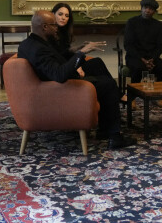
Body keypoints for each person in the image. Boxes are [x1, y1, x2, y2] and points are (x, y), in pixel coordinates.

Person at [17, 11, 136, 149]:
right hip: (58, 89)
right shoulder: (38, 49)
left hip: (51, 84)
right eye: (54, 25)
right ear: (44, 27)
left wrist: (74, 51)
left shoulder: (33, 42)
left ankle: (105, 128)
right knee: (108, 84)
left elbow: (55, 58)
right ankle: (115, 135)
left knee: (96, 63)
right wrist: (81, 54)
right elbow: (59, 75)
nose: (57, 27)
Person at [51, 2, 115, 81]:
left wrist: (78, 47)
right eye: (60, 14)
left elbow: (64, 51)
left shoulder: (63, 32)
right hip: (65, 69)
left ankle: (114, 89)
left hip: (71, 63)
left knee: (98, 62)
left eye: (66, 16)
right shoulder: (50, 33)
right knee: (104, 79)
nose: (63, 18)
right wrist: (77, 65)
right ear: (53, 14)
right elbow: (58, 57)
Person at [124, 0, 162, 85]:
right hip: (135, 57)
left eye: (151, 9)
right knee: (139, 68)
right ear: (141, 9)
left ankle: (160, 94)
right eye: (145, 8)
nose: (147, 11)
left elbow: (160, 46)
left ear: (154, 12)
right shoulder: (132, 22)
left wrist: (152, 59)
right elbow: (128, 45)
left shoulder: (158, 25)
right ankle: (134, 96)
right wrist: (143, 60)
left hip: (152, 58)